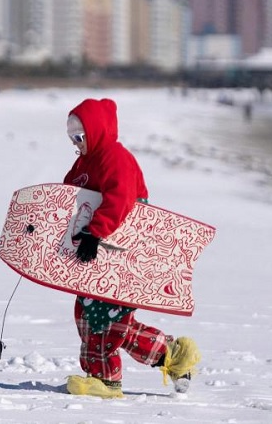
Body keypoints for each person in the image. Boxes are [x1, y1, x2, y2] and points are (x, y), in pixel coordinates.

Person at [62, 98, 201, 399]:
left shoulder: (115, 157)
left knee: (107, 319)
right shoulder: (83, 163)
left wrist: (94, 232)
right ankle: (173, 355)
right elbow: (70, 195)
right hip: (92, 254)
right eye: (72, 136)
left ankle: (105, 380)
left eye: (80, 136)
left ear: (96, 131)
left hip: (120, 254)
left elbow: (121, 199)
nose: (76, 142)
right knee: (89, 316)